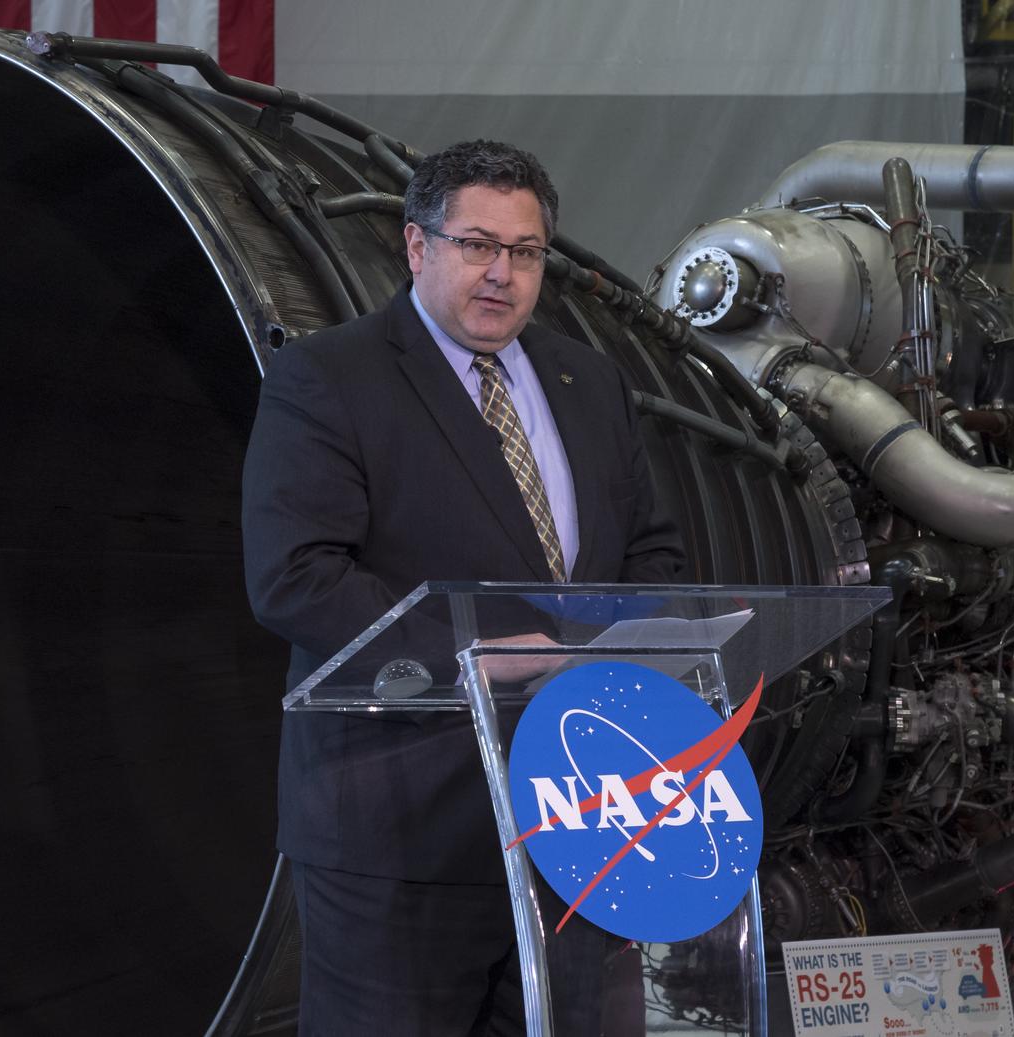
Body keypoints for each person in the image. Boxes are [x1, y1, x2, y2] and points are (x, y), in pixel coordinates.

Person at [241, 139, 685, 1035]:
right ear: (416, 247)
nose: (502, 275)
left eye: (525, 253)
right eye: (476, 245)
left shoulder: (589, 380)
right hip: (401, 838)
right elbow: (296, 578)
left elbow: (653, 552)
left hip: (580, 821)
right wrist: (480, 653)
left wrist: (615, 650)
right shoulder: (329, 377)